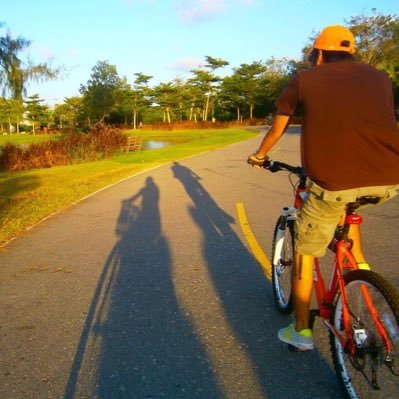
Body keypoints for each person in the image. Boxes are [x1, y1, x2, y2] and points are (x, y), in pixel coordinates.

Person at [248, 25, 399, 351]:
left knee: (305, 250)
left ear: (318, 54)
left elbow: (278, 126)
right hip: (389, 179)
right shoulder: (381, 78)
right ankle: (360, 276)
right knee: (349, 216)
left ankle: (301, 332)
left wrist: (260, 156)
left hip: (331, 185)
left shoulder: (305, 79)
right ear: (352, 52)